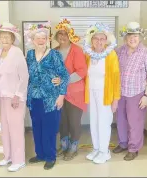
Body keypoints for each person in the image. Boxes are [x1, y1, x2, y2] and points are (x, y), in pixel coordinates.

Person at [24, 22, 69, 170]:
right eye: (38, 38)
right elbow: (25, 75)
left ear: (47, 39)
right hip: (34, 98)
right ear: (33, 40)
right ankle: (40, 154)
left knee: (50, 128)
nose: (41, 40)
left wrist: (61, 94)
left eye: (44, 37)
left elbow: (64, 74)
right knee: (37, 127)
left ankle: (50, 156)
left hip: (51, 98)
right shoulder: (29, 55)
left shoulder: (54, 54)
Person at [0, 22, 29, 172]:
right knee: (5, 128)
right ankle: (8, 156)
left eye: (7, 37)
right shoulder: (0, 52)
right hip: (2, 96)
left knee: (16, 128)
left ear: (12, 39)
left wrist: (17, 95)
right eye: (2, 37)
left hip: (14, 98)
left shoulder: (16, 52)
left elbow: (24, 76)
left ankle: (19, 160)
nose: (4, 40)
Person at [113, 22, 147, 161]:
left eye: (135, 36)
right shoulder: (120, 51)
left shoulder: (146, 52)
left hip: (137, 93)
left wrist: (146, 95)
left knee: (134, 122)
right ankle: (123, 143)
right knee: (121, 120)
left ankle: (133, 148)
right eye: (130, 35)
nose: (132, 38)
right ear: (125, 38)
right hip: (121, 92)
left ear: (140, 37)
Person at [84, 23, 121, 164]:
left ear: (106, 40)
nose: (99, 41)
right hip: (92, 92)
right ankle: (96, 148)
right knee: (93, 120)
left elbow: (116, 78)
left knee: (104, 122)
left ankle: (105, 151)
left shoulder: (111, 55)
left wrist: (116, 99)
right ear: (91, 40)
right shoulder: (88, 54)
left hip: (106, 94)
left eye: (102, 39)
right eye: (96, 39)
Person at [53, 19, 87, 161]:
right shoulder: (54, 52)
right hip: (58, 94)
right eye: (60, 34)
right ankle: (64, 145)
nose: (62, 37)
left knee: (73, 121)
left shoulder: (77, 50)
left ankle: (73, 147)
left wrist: (64, 80)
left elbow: (82, 71)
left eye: (65, 34)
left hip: (75, 93)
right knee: (62, 121)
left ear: (70, 35)